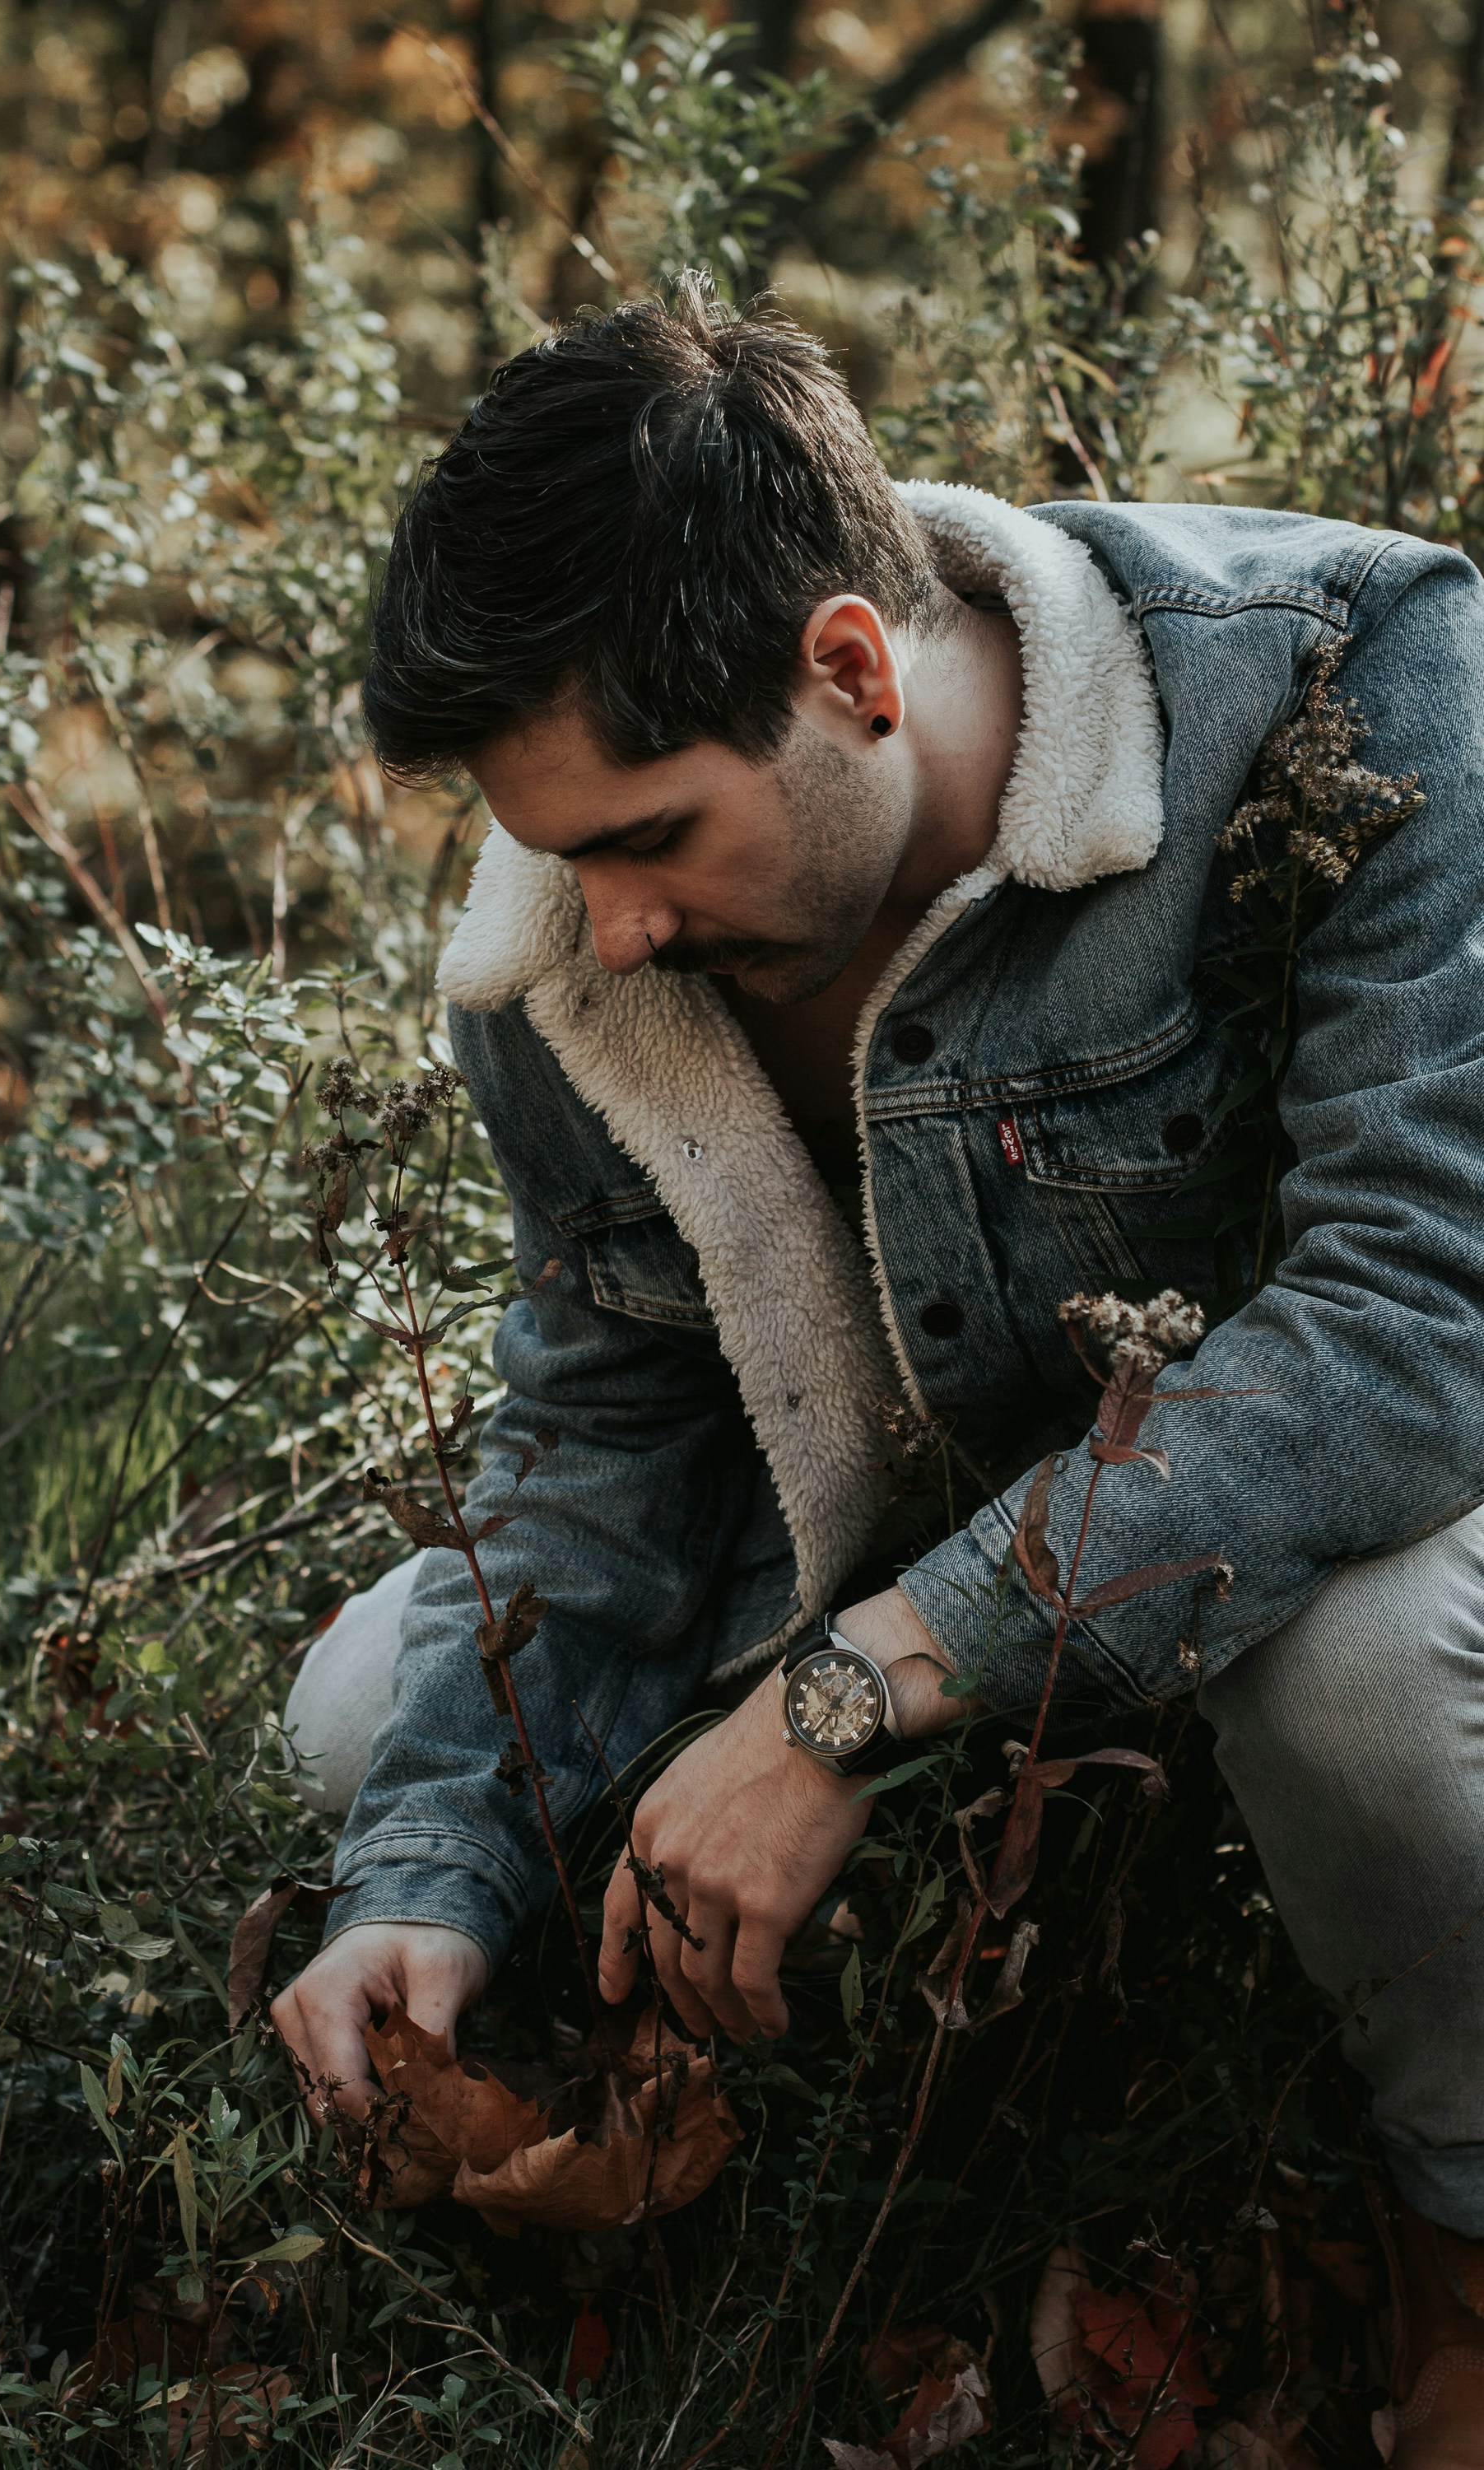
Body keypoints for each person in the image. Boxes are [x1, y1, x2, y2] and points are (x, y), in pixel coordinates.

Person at [271, 280, 1484, 2463]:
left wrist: (851, 1697)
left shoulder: (1356, 676)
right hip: (919, 1574)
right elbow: (605, 1444)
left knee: (1370, 1686)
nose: (605, 921)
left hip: (1327, 1525)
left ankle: (1456, 2230)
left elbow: (1413, 1329)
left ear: (851, 665)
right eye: (561, 855)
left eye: (648, 838)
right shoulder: (572, 937)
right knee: (368, 1725)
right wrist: (424, 1887)